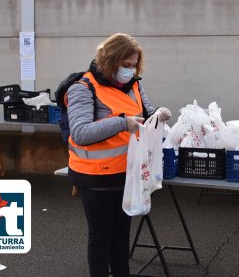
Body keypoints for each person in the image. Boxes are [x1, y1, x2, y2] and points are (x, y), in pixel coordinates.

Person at [66, 33, 171, 277]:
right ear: (109, 61)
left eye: (133, 65)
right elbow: (80, 133)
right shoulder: (82, 88)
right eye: (125, 65)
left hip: (126, 173)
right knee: (101, 234)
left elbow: (147, 113)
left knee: (122, 234)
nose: (130, 70)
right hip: (94, 177)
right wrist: (122, 124)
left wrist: (159, 116)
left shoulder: (134, 84)